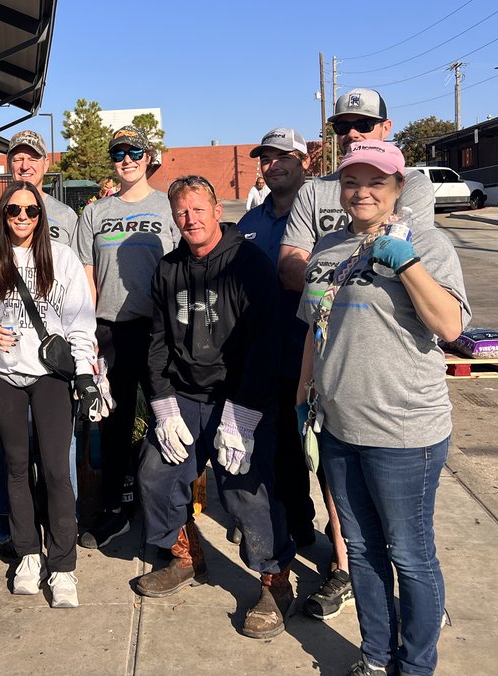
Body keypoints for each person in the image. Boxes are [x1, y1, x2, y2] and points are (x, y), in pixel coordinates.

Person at [296, 140, 469, 676]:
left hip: (405, 432)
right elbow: (313, 329)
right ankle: (375, 656)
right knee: (363, 553)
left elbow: (450, 326)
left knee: (410, 556)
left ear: (398, 188)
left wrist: (407, 264)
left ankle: (415, 666)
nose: (362, 191)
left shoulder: (429, 244)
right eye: (352, 181)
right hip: (339, 429)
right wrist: (303, 395)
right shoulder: (326, 249)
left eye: (377, 182)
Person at [278, 87, 435, 621]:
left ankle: (419, 605)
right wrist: (344, 276)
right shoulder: (313, 193)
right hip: (332, 358)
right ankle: (344, 571)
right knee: (341, 494)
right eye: (344, 125)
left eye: (364, 125)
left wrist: (344, 273)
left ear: (386, 131)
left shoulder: (411, 183)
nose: (353, 133)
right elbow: (293, 264)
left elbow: (416, 261)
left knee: (405, 531)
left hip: (394, 384)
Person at [137, 174, 295, 640]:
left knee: (247, 488)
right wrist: (162, 404)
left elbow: (267, 344)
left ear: (215, 210)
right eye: (181, 212)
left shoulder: (250, 263)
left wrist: (243, 414)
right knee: (155, 471)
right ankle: (185, 555)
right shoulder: (168, 269)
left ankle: (273, 580)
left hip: (240, 394)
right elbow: (158, 342)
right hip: (185, 394)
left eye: (198, 209)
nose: (190, 219)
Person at [0, 181, 97, 608]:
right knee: (17, 466)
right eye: (14, 211)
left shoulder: (62, 260)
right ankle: (27, 554)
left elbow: (80, 322)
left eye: (31, 211)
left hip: (49, 375)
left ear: (41, 216)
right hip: (3, 372)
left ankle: (62, 564)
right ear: (2, 216)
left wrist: (84, 374)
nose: (22, 218)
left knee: (57, 469)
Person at [73, 124, 178, 549]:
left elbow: (180, 271)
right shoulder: (95, 213)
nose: (127, 160)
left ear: (148, 156)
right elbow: (87, 277)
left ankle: (169, 512)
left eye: (134, 151)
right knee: (114, 425)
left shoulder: (168, 208)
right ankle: (115, 509)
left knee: (164, 418)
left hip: (156, 330)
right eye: (118, 153)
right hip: (110, 331)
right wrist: (90, 332)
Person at [236, 128, 317, 551]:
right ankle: (294, 524)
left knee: (321, 452)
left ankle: (343, 549)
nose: (274, 165)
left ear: (303, 161)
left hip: (312, 349)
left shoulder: (322, 215)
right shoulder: (249, 223)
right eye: (266, 158)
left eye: (284, 156)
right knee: (278, 445)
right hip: (265, 351)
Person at [0, 130, 78, 256]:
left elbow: (78, 267)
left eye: (33, 159)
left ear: (46, 164)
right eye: (18, 159)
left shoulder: (66, 215)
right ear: (8, 164)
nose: (25, 166)